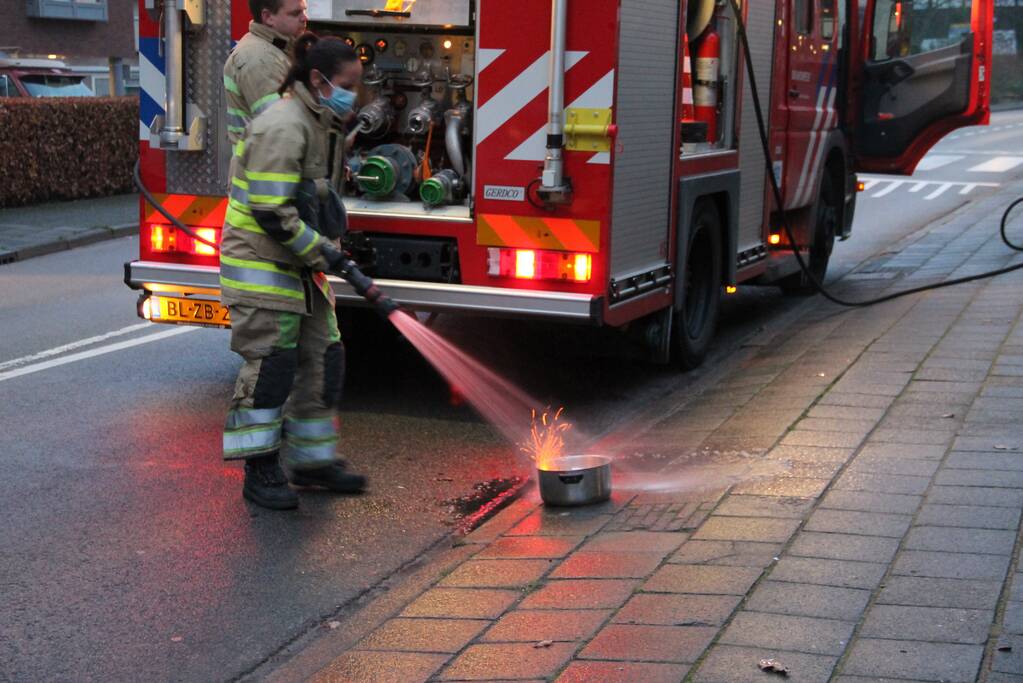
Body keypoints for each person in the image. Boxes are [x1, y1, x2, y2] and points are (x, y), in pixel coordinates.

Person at [220, 34, 367, 510]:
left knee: (325, 357)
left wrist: (327, 249)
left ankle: (312, 461)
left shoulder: (318, 119)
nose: (354, 95)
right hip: (261, 262)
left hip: (297, 264)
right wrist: (327, 255)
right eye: (347, 85)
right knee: (271, 368)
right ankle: (260, 470)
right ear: (318, 80)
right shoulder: (284, 125)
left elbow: (313, 200)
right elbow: (270, 212)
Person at [223, 0, 308, 146]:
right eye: (295, 13)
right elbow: (282, 129)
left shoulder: (278, 50)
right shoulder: (259, 59)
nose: (305, 18)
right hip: (265, 165)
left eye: (304, 11)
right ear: (268, 17)